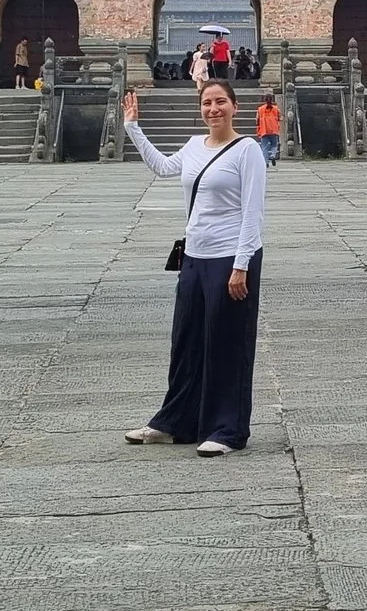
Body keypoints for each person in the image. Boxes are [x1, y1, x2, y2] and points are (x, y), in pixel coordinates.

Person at [121, 81, 266, 457]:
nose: (213, 109)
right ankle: (175, 423)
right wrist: (132, 127)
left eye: (220, 102)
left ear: (235, 107)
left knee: (227, 342)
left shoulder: (247, 149)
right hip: (194, 256)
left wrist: (241, 265)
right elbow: (161, 167)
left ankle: (228, 429)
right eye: (206, 103)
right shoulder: (192, 145)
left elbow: (252, 213)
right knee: (185, 341)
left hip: (231, 257)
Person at [255, 93, 282, 168]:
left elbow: (257, 120)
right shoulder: (276, 109)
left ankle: (265, 162)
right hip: (274, 130)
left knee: (264, 148)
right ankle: (273, 155)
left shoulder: (260, 109)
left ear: (264, 100)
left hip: (264, 130)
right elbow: (280, 118)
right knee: (274, 145)